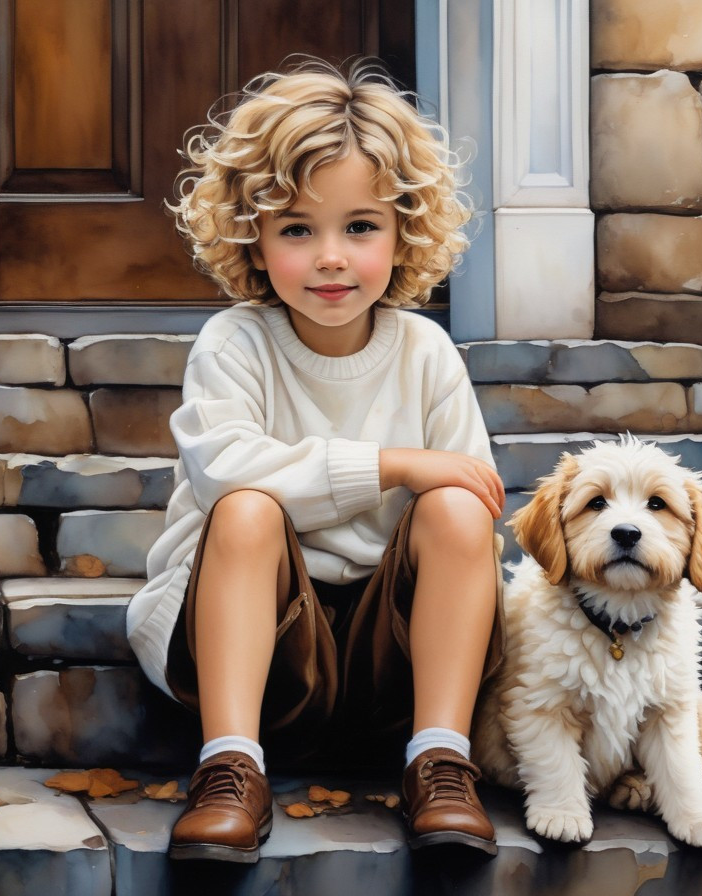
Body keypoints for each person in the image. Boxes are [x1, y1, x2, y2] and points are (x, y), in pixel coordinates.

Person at [126, 57, 505, 863]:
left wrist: (428, 482)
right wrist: (391, 465)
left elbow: (474, 501)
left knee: (458, 507)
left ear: (404, 231)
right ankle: (230, 765)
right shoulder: (235, 344)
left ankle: (440, 759)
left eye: (360, 226)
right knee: (247, 505)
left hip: (390, 655)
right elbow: (225, 469)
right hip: (257, 646)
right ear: (254, 242)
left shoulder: (427, 353)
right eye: (298, 229)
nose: (331, 256)